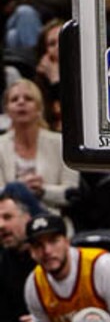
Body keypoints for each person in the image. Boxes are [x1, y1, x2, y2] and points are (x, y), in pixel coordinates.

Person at [0, 79, 78, 218]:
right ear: (7, 110)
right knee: (15, 189)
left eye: (28, 98)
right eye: (14, 99)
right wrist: (21, 189)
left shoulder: (61, 143)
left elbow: (71, 193)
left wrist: (42, 190)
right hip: (10, 220)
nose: (21, 102)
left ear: (39, 108)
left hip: (54, 219)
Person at [0, 193, 40, 322]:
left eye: (7, 217)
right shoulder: (2, 262)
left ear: (27, 219)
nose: (1, 225)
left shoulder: (51, 257)